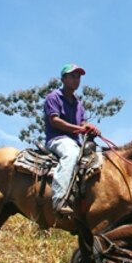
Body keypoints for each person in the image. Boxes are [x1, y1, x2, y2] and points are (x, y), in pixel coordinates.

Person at [44, 63, 101, 216]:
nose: (76, 80)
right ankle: (59, 199)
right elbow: (54, 121)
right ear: (63, 79)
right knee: (71, 154)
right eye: (73, 76)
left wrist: (89, 127)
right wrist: (78, 129)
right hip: (57, 139)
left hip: (76, 142)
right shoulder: (53, 97)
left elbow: (82, 122)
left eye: (78, 77)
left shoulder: (78, 104)